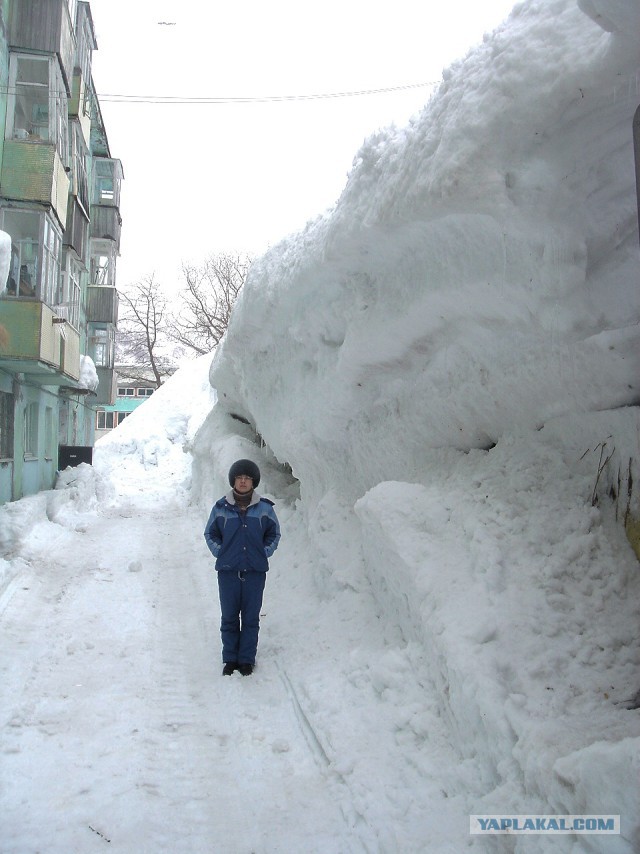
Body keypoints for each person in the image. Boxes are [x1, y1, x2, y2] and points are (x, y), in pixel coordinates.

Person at [204, 459, 281, 676]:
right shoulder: (221, 508)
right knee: (229, 616)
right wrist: (221, 552)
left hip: (255, 572)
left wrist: (263, 552)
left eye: (247, 478)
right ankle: (230, 659)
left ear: (254, 481)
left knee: (250, 617)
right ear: (234, 481)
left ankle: (246, 660)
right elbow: (210, 533)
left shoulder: (265, 509)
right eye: (239, 478)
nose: (244, 482)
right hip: (228, 571)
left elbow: (274, 534)